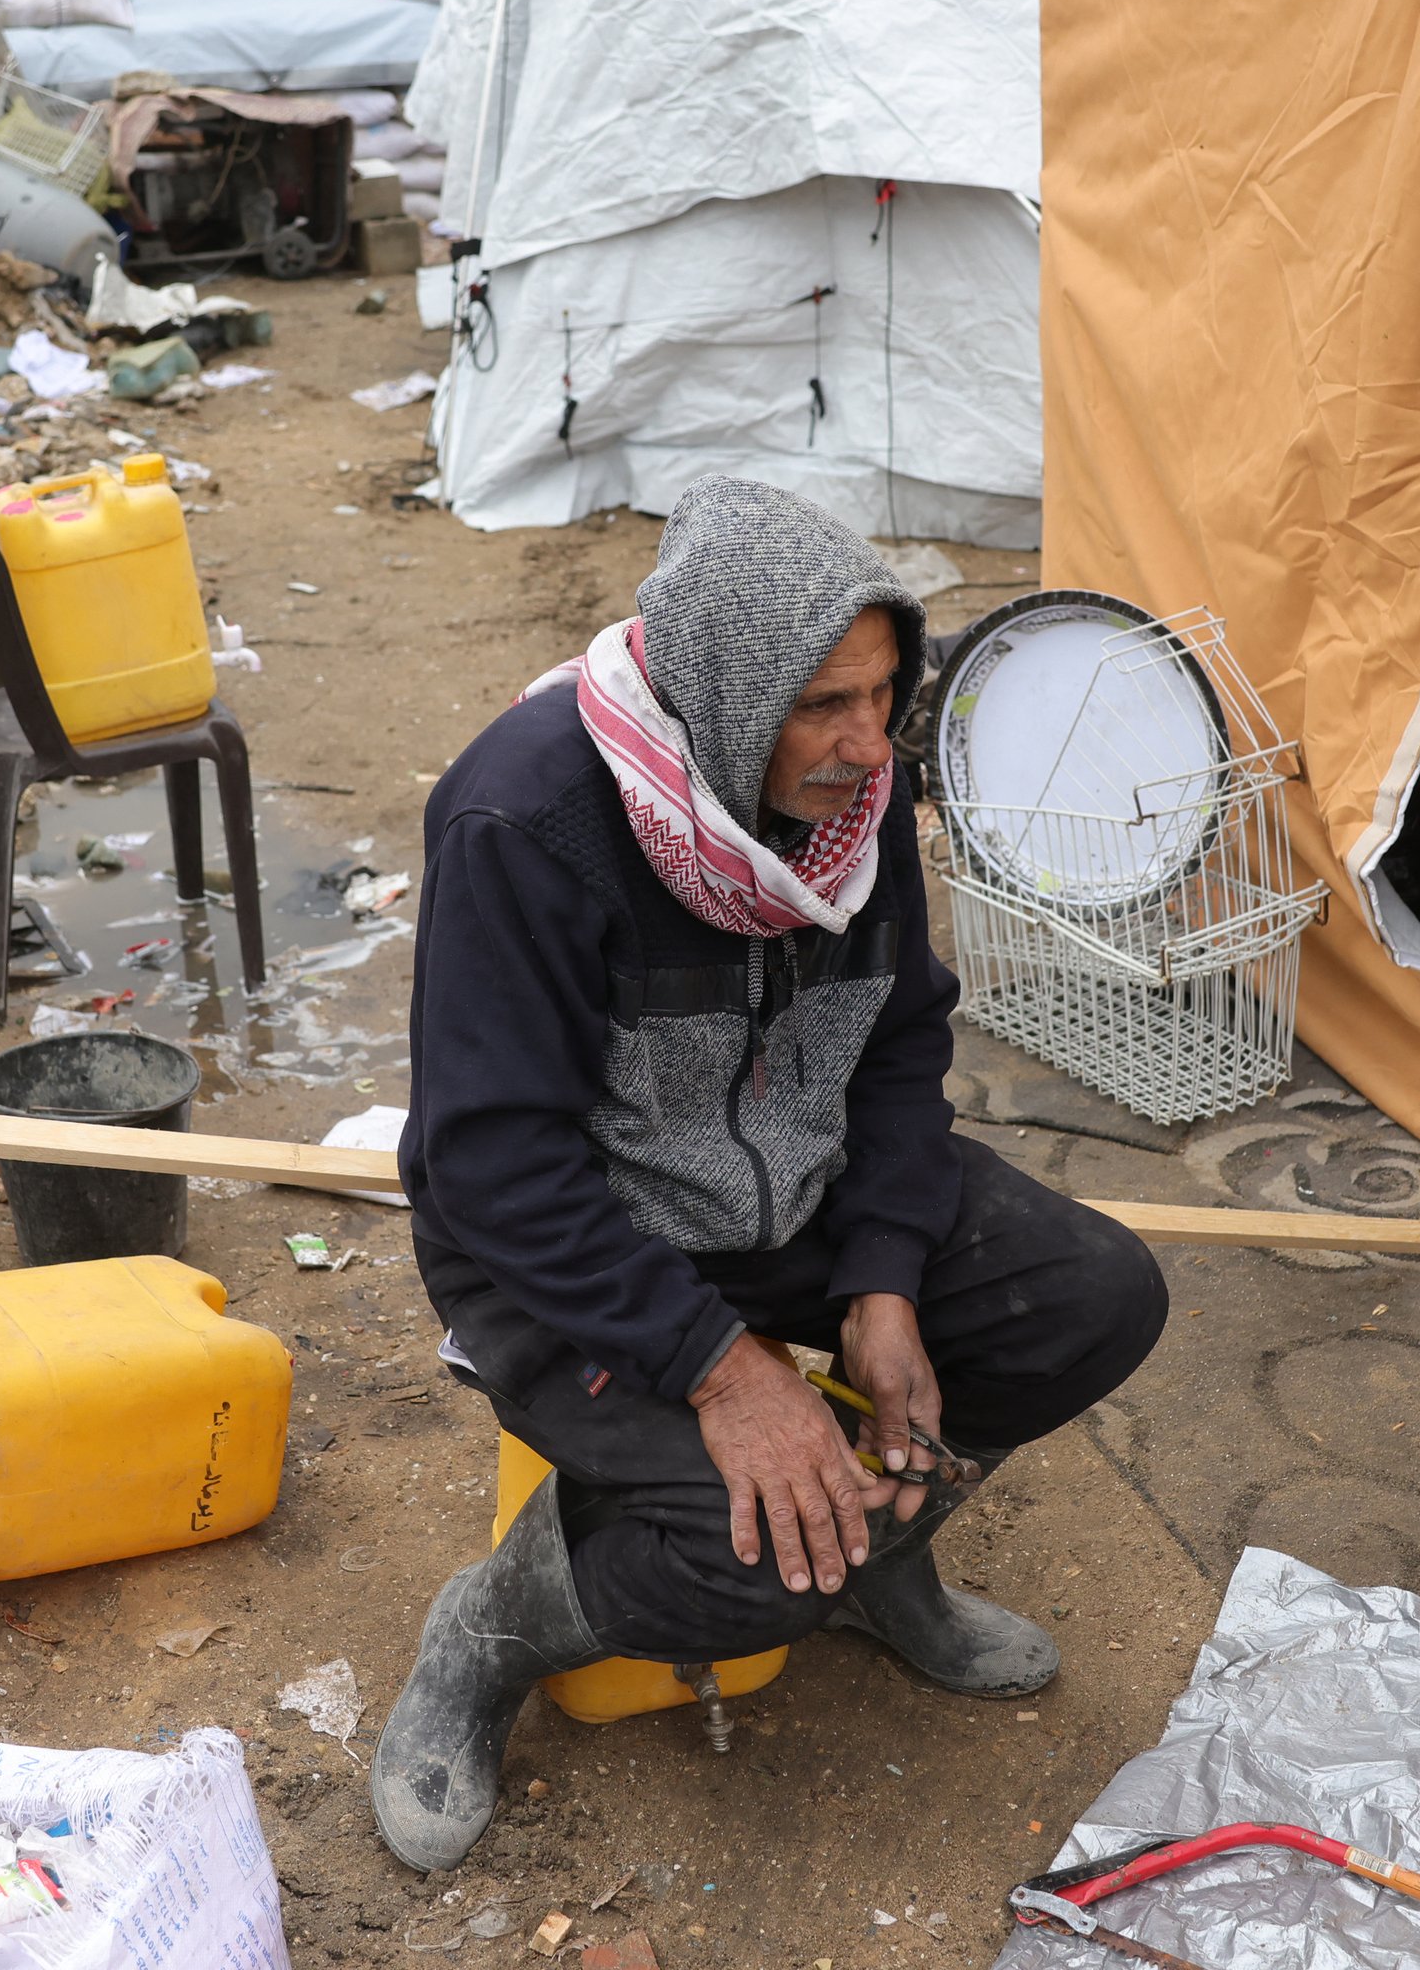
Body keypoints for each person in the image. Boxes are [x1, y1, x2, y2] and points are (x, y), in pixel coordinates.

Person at [371, 479, 1168, 1870]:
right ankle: (493, 1629)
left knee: (1095, 1296)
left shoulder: (856, 802)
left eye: (885, 697)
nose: (870, 749)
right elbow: (492, 1166)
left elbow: (901, 1042)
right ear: (728, 700)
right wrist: (726, 1371)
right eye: (825, 707)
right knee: (751, 1561)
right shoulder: (525, 818)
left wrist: (882, 1278)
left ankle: (885, 1562)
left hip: (790, 1198)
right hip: (578, 1253)